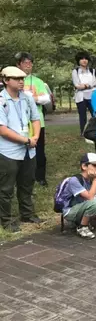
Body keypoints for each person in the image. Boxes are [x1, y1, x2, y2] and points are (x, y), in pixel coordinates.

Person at [0, 66, 42, 232]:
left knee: (27, 184)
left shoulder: (27, 98)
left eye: (22, 79)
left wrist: (36, 137)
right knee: (6, 188)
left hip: (28, 149)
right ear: (6, 80)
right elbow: (2, 129)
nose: (21, 82)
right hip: (8, 151)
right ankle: (7, 219)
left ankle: (27, 213)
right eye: (17, 79)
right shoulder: (1, 100)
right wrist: (26, 140)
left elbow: (36, 118)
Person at [61, 153, 96, 240]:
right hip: (70, 211)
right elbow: (90, 198)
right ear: (84, 166)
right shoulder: (74, 180)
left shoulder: (90, 180)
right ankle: (82, 227)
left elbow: (92, 197)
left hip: (83, 206)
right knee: (94, 202)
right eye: (94, 165)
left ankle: (87, 220)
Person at [16, 52, 51, 186]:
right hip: (18, 122)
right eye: (25, 63)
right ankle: (21, 176)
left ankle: (40, 177)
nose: (28, 65)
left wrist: (29, 98)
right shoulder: (14, 80)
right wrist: (34, 97)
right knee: (19, 149)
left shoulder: (37, 81)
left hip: (37, 122)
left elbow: (45, 99)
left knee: (39, 149)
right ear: (18, 64)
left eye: (30, 63)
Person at [72, 51, 96, 136]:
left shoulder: (92, 71)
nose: (84, 60)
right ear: (78, 60)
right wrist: (88, 85)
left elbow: (95, 83)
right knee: (82, 116)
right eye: (82, 59)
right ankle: (83, 132)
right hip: (80, 97)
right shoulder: (75, 71)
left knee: (95, 113)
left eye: (86, 58)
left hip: (92, 96)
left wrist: (85, 85)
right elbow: (77, 85)